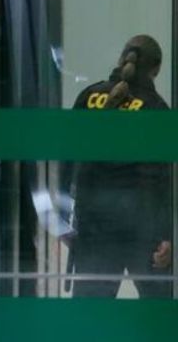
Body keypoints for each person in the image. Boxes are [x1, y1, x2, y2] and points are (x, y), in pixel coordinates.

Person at [70, 34, 173, 299]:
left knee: (90, 321)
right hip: (142, 230)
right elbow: (162, 180)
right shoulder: (155, 108)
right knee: (155, 321)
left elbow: (68, 158)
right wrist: (166, 236)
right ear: (156, 69)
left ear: (121, 59)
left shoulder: (88, 96)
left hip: (94, 227)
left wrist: (65, 223)